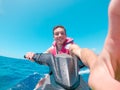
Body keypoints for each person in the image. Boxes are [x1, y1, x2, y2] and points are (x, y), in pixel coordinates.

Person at [25, 25, 92, 89]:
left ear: (65, 35)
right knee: (41, 82)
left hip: (71, 77)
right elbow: (42, 56)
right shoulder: (51, 49)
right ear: (53, 37)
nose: (60, 35)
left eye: (62, 33)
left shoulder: (71, 46)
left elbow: (80, 51)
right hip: (55, 74)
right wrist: (32, 56)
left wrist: (91, 59)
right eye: (57, 34)